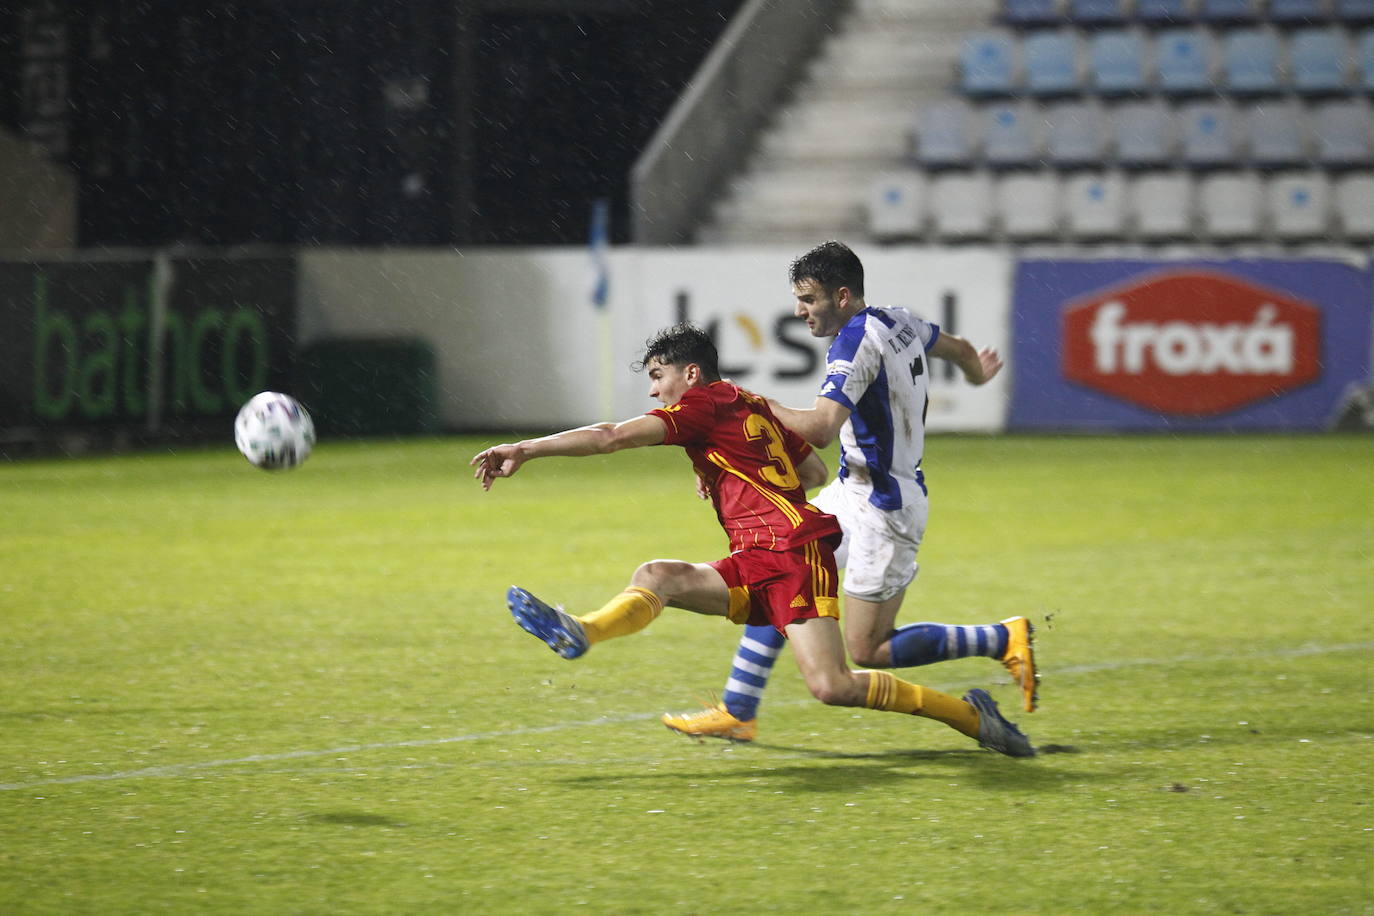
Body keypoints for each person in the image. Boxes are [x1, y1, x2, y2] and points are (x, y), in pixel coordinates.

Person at [471, 322, 1034, 757]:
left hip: (791, 556)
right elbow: (813, 474)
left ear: (690, 374)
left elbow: (609, 437)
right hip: (759, 556)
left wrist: (524, 448)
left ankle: (970, 718)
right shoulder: (750, 405)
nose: (652, 389)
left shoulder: (698, 405)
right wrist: (719, 465)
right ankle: (583, 631)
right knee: (658, 575)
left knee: (834, 685)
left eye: (657, 376)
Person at [661, 241, 1037, 744]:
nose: (799, 311)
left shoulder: (855, 343)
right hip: (850, 491)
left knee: (869, 650)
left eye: (809, 299)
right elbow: (962, 350)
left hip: (887, 508)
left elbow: (818, 427)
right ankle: (738, 711)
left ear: (842, 296)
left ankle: (999, 637)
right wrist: (976, 374)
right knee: (779, 568)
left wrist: (754, 405)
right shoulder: (898, 320)